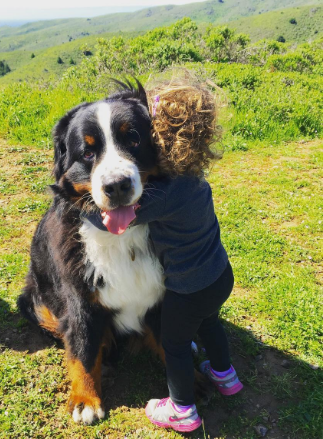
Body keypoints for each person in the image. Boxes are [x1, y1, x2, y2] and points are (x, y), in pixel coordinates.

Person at [89, 77, 243, 433]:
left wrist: (82, 205)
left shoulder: (162, 196)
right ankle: (226, 375)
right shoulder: (198, 180)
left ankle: (182, 410)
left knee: (175, 345)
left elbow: (113, 221)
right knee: (211, 325)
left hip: (187, 289)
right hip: (220, 276)